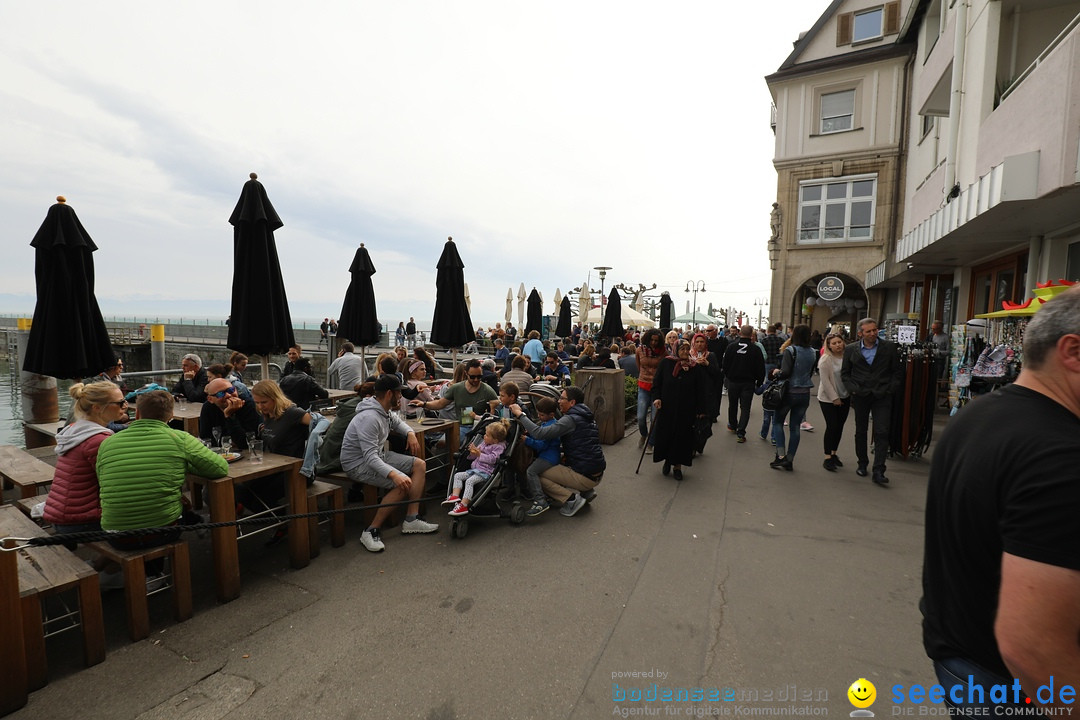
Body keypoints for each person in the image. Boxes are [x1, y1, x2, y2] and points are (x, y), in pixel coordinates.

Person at [921, 286, 1080, 713]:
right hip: (1008, 684)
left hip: (961, 656)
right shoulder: (1059, 456)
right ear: (1073, 352)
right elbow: (1033, 646)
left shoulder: (980, 414)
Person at [96, 390, 228, 582]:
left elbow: (102, 479)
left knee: (150, 504)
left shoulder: (107, 443)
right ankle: (154, 577)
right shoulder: (180, 438)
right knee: (167, 509)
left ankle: (147, 576)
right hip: (160, 532)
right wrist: (185, 464)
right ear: (171, 416)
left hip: (115, 534)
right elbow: (220, 468)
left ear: (138, 414)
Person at [340, 374, 439, 552]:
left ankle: (411, 518)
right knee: (402, 483)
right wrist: (394, 474)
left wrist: (410, 433)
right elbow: (369, 457)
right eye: (398, 393)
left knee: (419, 465)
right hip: (357, 463)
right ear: (388, 394)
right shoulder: (370, 417)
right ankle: (371, 530)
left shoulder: (384, 411)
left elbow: (399, 423)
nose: (401, 396)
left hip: (376, 456)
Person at [45, 382, 128, 557]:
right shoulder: (98, 440)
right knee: (151, 517)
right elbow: (117, 484)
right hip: (80, 520)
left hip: (61, 512)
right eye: (120, 402)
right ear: (98, 408)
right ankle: (112, 572)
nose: (125, 405)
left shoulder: (75, 431)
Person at [507, 385, 605, 517]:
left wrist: (520, 414)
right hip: (594, 471)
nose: (559, 401)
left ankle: (571, 499)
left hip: (586, 475)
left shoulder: (570, 420)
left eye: (562, 398)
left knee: (535, 473)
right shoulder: (584, 414)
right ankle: (587, 491)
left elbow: (539, 434)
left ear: (572, 402)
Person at [841, 317, 902, 486]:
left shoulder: (888, 348)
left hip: (882, 395)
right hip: (861, 395)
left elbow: (897, 372)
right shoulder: (851, 349)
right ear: (860, 333)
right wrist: (853, 388)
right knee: (861, 430)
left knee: (882, 431)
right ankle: (862, 463)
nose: (873, 333)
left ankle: (879, 469)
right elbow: (845, 373)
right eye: (868, 331)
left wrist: (890, 389)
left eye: (874, 330)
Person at [246, 380, 312, 512]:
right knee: (244, 489)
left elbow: (321, 424)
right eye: (257, 402)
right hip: (275, 467)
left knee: (259, 500)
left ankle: (287, 522)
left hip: (295, 470)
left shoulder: (292, 413)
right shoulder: (267, 415)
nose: (260, 406)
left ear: (275, 398)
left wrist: (313, 445)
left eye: (264, 402)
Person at [651, 340, 705, 481]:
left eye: (688, 349)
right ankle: (667, 461)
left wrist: (700, 409)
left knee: (682, 438)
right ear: (676, 349)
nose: (686, 352)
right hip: (667, 408)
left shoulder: (694, 367)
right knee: (667, 435)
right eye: (682, 349)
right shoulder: (666, 363)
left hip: (686, 410)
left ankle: (678, 466)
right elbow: (657, 383)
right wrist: (656, 398)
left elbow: (700, 389)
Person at [768, 325, 816, 472]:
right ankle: (790, 458)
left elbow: (786, 372)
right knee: (795, 427)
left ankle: (780, 456)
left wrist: (776, 372)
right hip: (805, 393)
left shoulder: (791, 350)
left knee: (778, 422)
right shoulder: (813, 352)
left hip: (789, 392)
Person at [415, 359, 497, 439]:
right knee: (442, 443)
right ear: (466, 374)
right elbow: (440, 404)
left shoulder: (487, 390)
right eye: (472, 377)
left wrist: (493, 408)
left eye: (479, 377)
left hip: (479, 428)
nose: (476, 380)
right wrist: (424, 404)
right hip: (462, 425)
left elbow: (496, 414)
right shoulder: (456, 388)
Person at [444, 419, 509, 516]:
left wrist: (479, 454)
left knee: (469, 481)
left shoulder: (498, 447)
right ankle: (455, 496)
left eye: (487, 435)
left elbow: (492, 459)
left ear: (495, 440)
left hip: (485, 472)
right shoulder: (484, 443)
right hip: (475, 469)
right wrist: (473, 452)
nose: (484, 436)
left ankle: (464, 504)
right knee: (457, 475)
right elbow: (475, 456)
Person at [723, 325, 766, 442]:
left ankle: (732, 425)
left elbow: (725, 364)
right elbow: (761, 368)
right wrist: (759, 382)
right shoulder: (755, 349)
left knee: (733, 404)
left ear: (739, 333)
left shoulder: (731, 347)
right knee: (745, 408)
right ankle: (741, 432)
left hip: (733, 381)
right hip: (748, 382)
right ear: (751, 334)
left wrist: (728, 376)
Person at [816, 332, 851, 472]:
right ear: (829, 346)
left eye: (839, 342)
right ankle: (827, 457)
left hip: (845, 396)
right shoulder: (825, 360)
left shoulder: (848, 357)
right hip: (828, 399)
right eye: (834, 343)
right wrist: (834, 398)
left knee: (840, 426)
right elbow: (825, 382)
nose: (838, 345)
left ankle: (834, 453)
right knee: (832, 426)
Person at [521, 396, 560, 517]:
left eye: (542, 415)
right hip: (547, 455)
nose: (539, 417)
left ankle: (540, 500)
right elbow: (538, 435)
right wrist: (531, 435)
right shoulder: (547, 422)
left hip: (549, 456)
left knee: (531, 472)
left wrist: (527, 440)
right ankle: (546, 496)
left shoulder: (550, 427)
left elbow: (541, 445)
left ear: (551, 414)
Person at [200, 377, 261, 450]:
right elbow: (205, 439)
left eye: (230, 390)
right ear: (210, 399)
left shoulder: (249, 405)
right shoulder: (208, 407)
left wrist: (230, 416)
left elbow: (248, 443)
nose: (228, 395)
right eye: (220, 394)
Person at [635, 329, 664, 453]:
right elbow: (638, 365)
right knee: (640, 416)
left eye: (656, 341)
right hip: (643, 386)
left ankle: (650, 443)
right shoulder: (639, 350)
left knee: (654, 419)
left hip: (657, 388)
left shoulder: (663, 352)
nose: (653, 343)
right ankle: (643, 434)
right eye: (651, 340)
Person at [688, 332, 720, 444]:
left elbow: (717, 373)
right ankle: (693, 445)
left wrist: (707, 364)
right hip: (693, 392)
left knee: (707, 420)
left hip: (708, 393)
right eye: (697, 342)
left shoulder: (711, 356)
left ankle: (700, 443)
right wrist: (694, 363)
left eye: (702, 342)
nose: (699, 344)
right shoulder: (689, 356)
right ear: (693, 343)